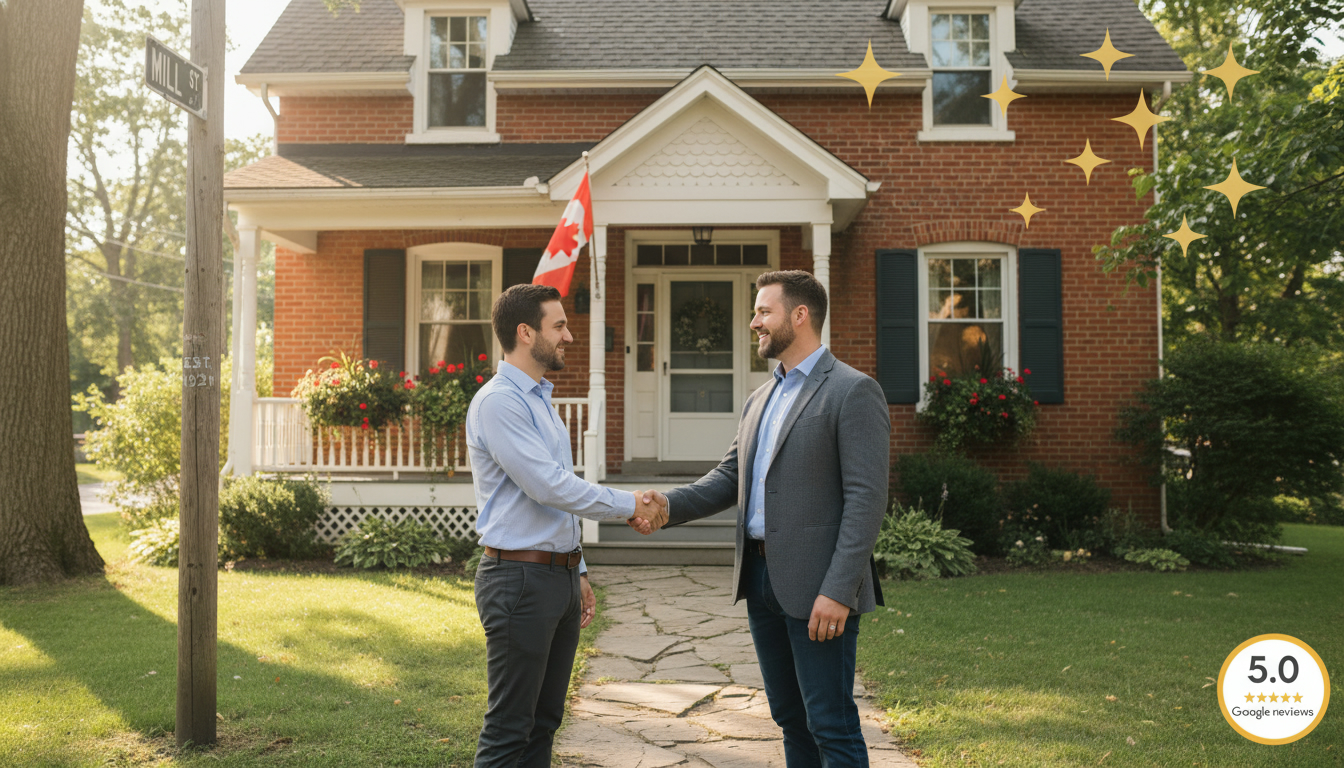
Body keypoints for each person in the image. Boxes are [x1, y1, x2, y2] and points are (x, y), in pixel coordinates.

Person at [643, 270, 890, 767]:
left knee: (831, 723)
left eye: (763, 311)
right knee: (790, 719)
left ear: (799, 316)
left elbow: (866, 500)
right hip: (760, 580)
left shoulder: (852, 391)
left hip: (820, 588)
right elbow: (727, 478)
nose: (753, 321)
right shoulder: (760, 398)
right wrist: (665, 505)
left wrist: (838, 590)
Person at [467, 283, 667, 768]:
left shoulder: (539, 400)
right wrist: (630, 504)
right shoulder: (499, 403)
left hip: (553, 579)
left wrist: (577, 567)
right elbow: (548, 486)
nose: (569, 336)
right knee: (510, 727)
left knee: (543, 723)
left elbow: (555, 497)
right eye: (558, 325)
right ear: (524, 332)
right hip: (518, 582)